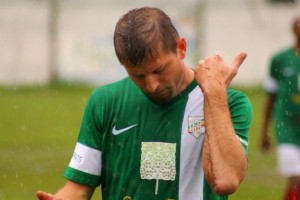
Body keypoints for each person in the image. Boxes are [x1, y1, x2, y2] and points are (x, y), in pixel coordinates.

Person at [36, 6, 252, 200]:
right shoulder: (105, 101)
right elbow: (79, 188)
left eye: (159, 70)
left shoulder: (229, 103)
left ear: (181, 48)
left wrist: (214, 94)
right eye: (138, 75)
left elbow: (225, 181)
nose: (151, 85)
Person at [260, 16, 300, 200]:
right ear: (293, 29)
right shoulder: (280, 59)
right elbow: (270, 96)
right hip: (287, 125)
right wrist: (264, 131)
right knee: (296, 177)